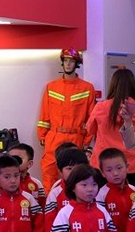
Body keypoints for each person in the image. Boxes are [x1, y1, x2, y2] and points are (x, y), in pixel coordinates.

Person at [37, 48, 96, 192]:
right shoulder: (51, 87)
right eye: (65, 61)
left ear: (77, 64)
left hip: (76, 137)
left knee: (75, 175)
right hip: (54, 137)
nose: (68, 64)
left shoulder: (87, 88)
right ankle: (50, 203)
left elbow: (91, 120)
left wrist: (86, 142)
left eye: (71, 61)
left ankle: (73, 202)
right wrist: (42, 136)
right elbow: (44, 115)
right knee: (49, 172)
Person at [86, 69, 135, 184]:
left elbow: (90, 129)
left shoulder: (101, 107)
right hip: (131, 165)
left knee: (103, 195)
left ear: (113, 84)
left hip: (103, 164)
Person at [8, 142, 46, 210]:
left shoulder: (36, 183)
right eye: (10, 159)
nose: (14, 162)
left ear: (29, 164)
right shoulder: (3, 183)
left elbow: (42, 206)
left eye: (18, 159)